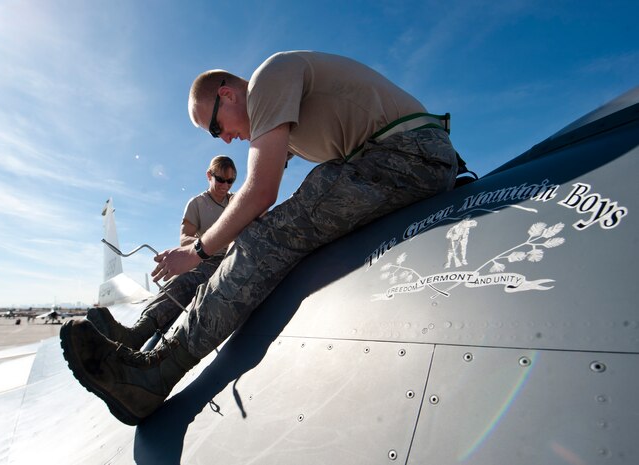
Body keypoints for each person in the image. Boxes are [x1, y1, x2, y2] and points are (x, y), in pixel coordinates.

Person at [60, 51, 462, 425]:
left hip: (408, 157)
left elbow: (260, 191)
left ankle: (152, 376)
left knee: (256, 243)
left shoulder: (269, 79)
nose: (224, 140)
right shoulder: (283, 117)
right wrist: (214, 248)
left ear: (228, 93)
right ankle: (140, 337)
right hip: (395, 159)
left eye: (216, 126)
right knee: (244, 243)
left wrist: (198, 250)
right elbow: (259, 201)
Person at [82, 155, 237, 350]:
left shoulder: (236, 201)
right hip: (206, 258)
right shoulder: (197, 204)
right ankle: (137, 334)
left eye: (230, 181)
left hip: (235, 258)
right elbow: (185, 238)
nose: (225, 186)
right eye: (220, 180)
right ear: (209, 175)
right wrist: (210, 243)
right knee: (181, 284)